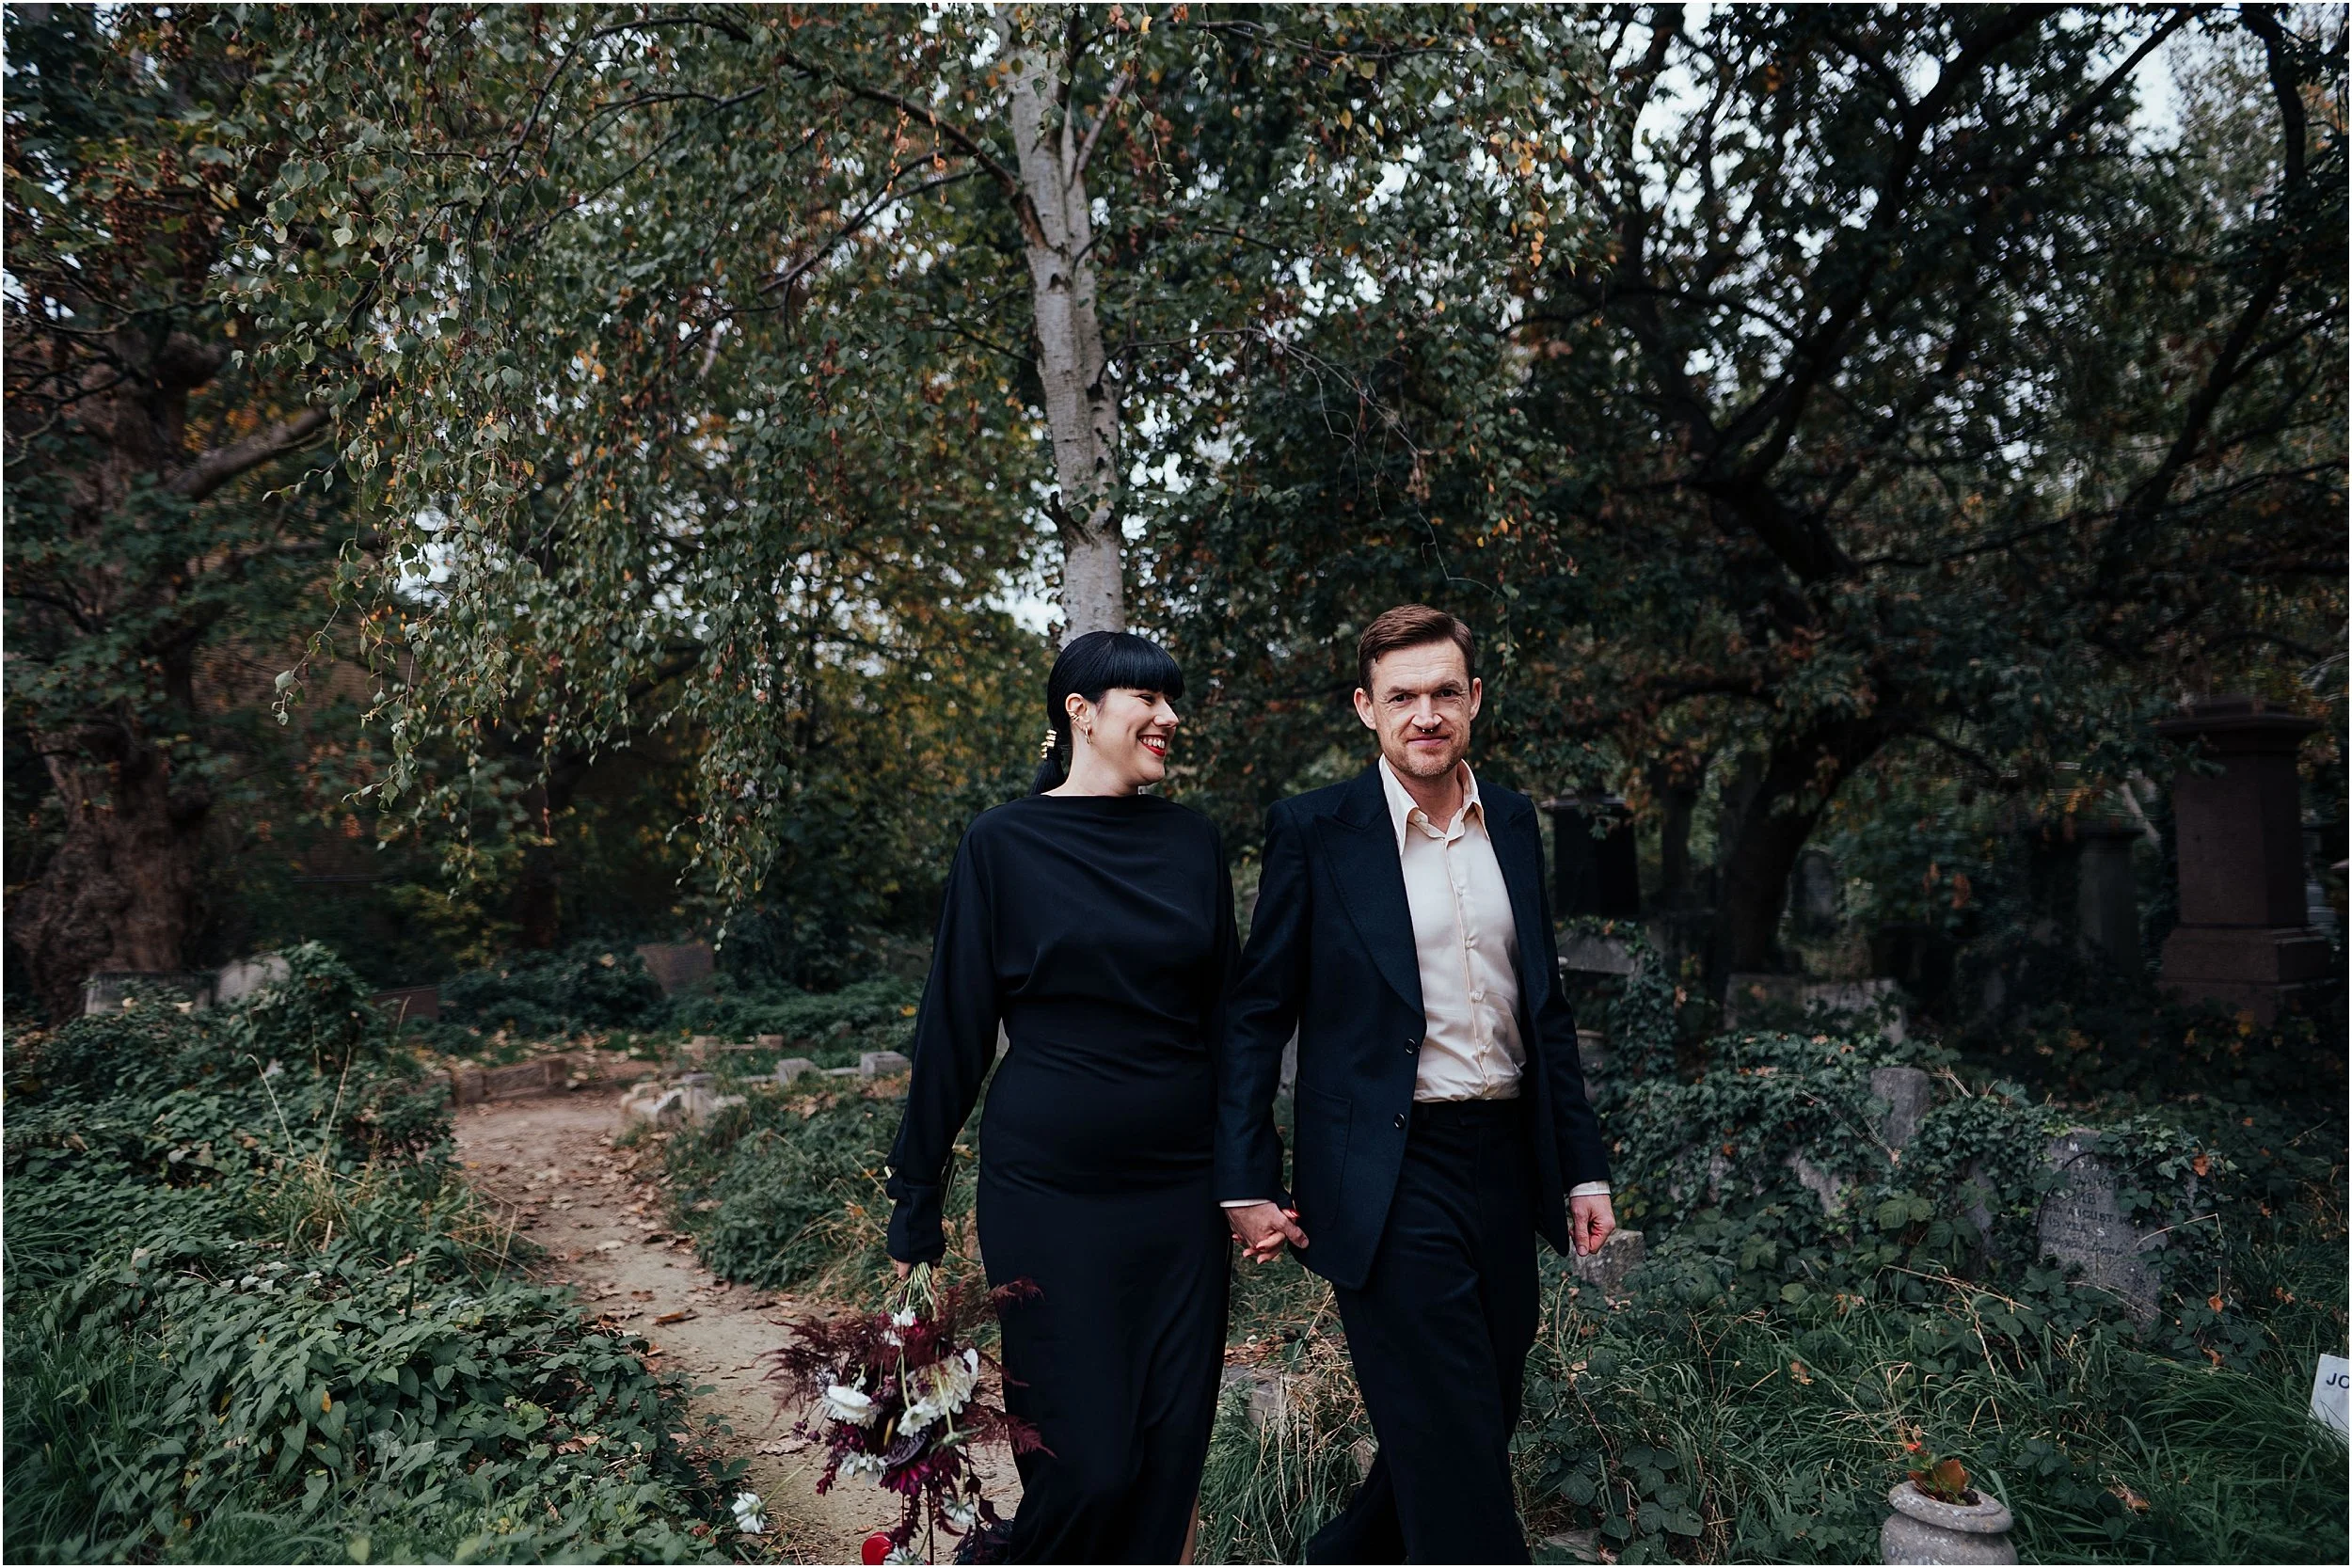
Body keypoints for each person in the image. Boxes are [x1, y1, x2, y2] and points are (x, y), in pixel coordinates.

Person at [1217, 604, 1615, 1564]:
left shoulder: (1514, 821)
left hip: (1505, 1156)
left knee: (1480, 1404)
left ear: (1473, 697)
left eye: (1444, 691)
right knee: (1449, 1419)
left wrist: (1583, 1169)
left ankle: (1343, 1555)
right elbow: (1256, 1013)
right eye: (1402, 696)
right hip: (1386, 1173)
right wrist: (1245, 1178)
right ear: (1366, 707)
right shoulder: (1314, 830)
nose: (1425, 713)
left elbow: (1545, 1008)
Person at [884, 629, 1236, 1564]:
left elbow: (1230, 1023)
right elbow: (954, 1026)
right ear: (1079, 712)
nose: (1168, 716)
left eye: (1172, 699)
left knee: (1166, 1458)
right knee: (1089, 1463)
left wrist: (1252, 1172)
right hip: (1050, 1193)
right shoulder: (1002, 842)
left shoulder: (1193, 841)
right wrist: (915, 1194)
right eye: (1145, 699)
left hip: (1182, 1194)